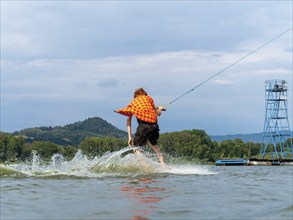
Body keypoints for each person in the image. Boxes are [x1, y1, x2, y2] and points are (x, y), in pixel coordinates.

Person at [114, 88, 166, 166]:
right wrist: (160, 109)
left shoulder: (134, 103)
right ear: (144, 94)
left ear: (136, 96)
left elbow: (128, 121)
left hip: (144, 126)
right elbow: (158, 114)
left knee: (135, 147)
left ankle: (145, 166)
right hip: (154, 126)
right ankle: (163, 165)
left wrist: (130, 137)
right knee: (154, 145)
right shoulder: (149, 99)